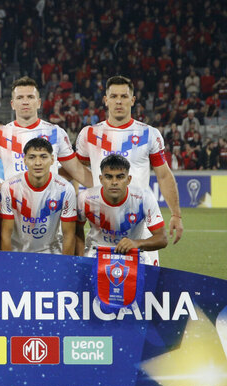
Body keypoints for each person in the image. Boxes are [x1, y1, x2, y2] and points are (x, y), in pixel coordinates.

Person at [75, 75, 183, 265]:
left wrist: (176, 214)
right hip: (101, 227)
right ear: (105, 100)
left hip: (140, 225)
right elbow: (76, 171)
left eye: (124, 96)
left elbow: (164, 175)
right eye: (114, 96)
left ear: (132, 100)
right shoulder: (90, 134)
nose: (119, 101)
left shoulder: (148, 134)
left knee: (147, 280)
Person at [0, 77, 92, 187]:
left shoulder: (55, 132)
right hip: (15, 198)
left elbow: (77, 170)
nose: (25, 102)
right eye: (20, 97)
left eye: (30, 97)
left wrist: (99, 188)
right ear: (12, 104)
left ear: (39, 103)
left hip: (49, 198)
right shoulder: (1, 134)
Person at [76, 154, 168, 265]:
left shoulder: (144, 198)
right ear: (101, 179)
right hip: (96, 255)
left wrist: (137, 243)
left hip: (133, 255)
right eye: (109, 177)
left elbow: (162, 238)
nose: (114, 182)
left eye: (120, 177)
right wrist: (79, 260)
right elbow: (76, 232)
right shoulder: (85, 199)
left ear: (128, 179)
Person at [0, 138, 77, 254]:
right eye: (32, 157)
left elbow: (69, 235)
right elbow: (6, 233)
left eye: (43, 157)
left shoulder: (65, 189)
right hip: (17, 254)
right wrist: (9, 260)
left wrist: (65, 263)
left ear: (52, 160)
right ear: (25, 160)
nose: (38, 163)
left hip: (50, 254)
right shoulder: (9, 187)